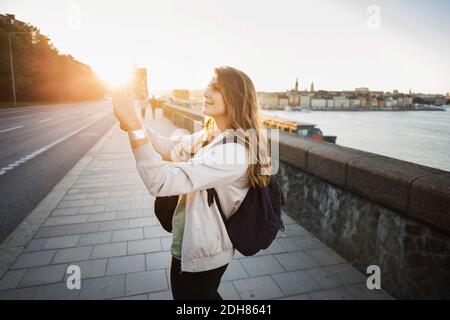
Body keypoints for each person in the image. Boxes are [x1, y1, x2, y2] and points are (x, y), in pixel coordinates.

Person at [112, 66, 271, 300]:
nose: (205, 92)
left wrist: (135, 127)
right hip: (189, 240)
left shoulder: (235, 152)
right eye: (208, 86)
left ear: (237, 97)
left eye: (216, 88)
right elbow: (170, 148)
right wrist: (134, 126)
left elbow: (160, 181)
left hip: (202, 254)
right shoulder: (213, 135)